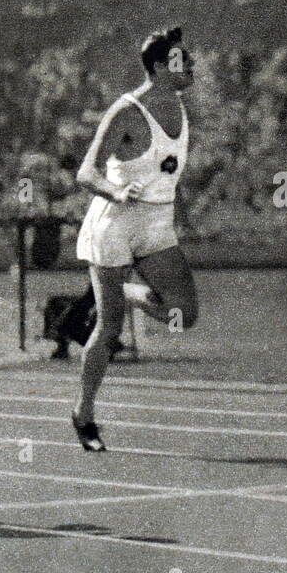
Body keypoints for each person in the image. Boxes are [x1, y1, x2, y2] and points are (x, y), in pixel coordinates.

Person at [70, 26, 199, 451]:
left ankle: (125, 292)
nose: (192, 64)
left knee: (183, 314)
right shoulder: (127, 111)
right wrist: (115, 190)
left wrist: (181, 209)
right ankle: (85, 414)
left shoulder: (180, 109)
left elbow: (164, 170)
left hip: (156, 225)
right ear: (161, 68)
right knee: (108, 329)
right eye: (183, 59)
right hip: (116, 224)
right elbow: (86, 172)